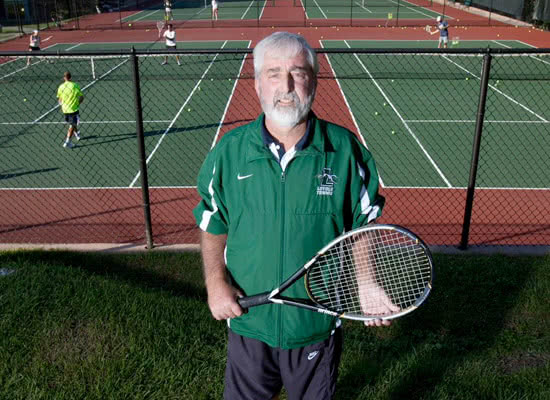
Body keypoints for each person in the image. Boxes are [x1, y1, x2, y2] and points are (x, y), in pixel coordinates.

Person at [193, 32, 389, 400]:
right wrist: (216, 283)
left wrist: (366, 279)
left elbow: (362, 225)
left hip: (315, 323)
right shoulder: (229, 153)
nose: (285, 86)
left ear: (313, 82)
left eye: (298, 73)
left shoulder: (345, 151)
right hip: (249, 323)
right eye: (273, 73)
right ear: (256, 85)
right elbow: (212, 222)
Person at [56, 71, 83, 149]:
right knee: (72, 125)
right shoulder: (75, 85)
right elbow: (81, 97)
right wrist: (78, 103)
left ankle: (77, 133)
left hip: (65, 110)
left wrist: (62, 105)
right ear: (70, 77)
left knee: (72, 123)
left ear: (64, 78)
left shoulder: (61, 87)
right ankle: (67, 142)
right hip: (73, 109)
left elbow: (59, 99)